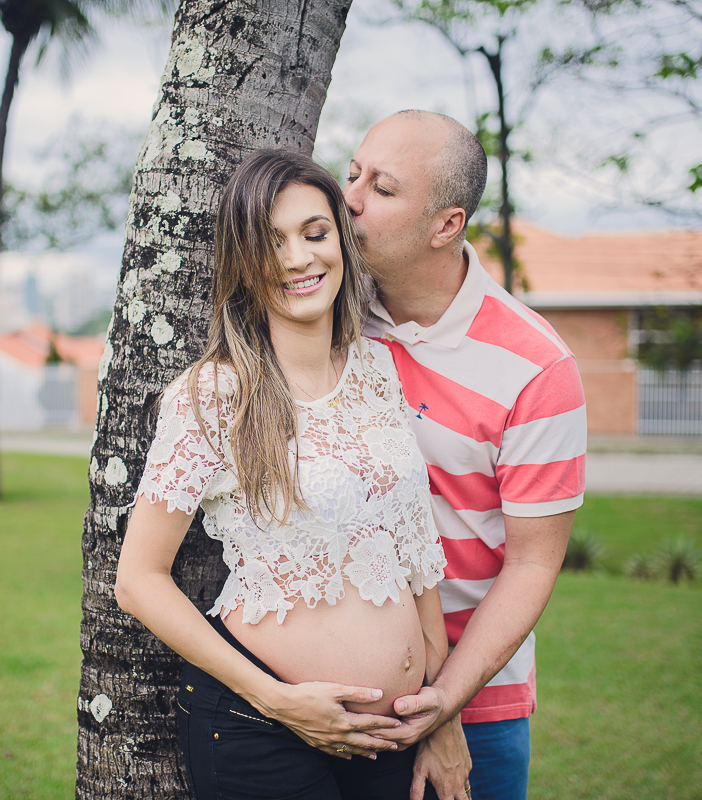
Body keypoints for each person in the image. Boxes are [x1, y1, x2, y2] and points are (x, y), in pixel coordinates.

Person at [114, 149, 452, 799]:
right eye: (271, 243)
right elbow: (138, 581)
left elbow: (413, 545)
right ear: (243, 263)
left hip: (399, 733)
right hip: (264, 733)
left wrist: (440, 706)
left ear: (341, 245)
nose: (298, 259)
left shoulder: (376, 371)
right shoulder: (214, 396)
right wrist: (275, 699)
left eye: (314, 233)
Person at [345, 111, 588, 800]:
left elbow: (533, 561)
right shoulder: (326, 316)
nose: (350, 199)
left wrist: (442, 702)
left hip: (478, 702)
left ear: (445, 225)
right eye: (353, 174)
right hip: (340, 683)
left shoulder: (536, 368)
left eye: (382, 188)